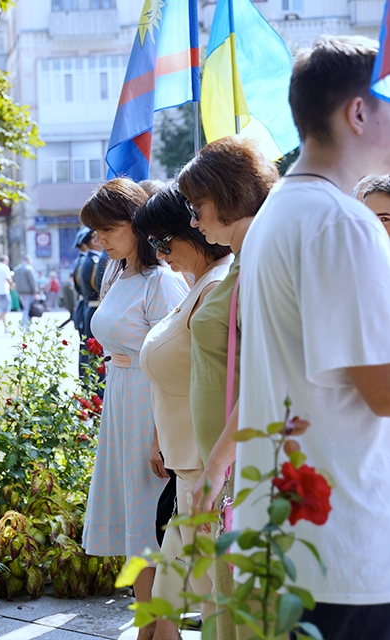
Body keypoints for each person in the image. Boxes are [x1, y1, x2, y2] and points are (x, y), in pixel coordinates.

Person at [236, 36, 390, 639]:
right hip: (343, 549)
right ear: (357, 112)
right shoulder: (342, 222)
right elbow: (381, 390)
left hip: (296, 544)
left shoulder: (282, 210)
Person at [176, 135, 278, 640]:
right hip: (228, 460)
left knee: (237, 599)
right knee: (224, 595)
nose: (193, 221)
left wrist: (219, 463)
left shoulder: (258, 254)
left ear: (229, 193)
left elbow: (264, 369)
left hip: (241, 462)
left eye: (198, 207)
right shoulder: (243, 255)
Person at [79, 179, 188, 640]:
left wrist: (162, 434)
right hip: (123, 398)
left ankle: (161, 629)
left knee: (152, 524)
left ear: (135, 225)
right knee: (135, 526)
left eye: (107, 230)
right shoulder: (117, 272)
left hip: (150, 402)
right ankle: (151, 626)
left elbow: (180, 356)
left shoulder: (161, 281)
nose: (98, 240)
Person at [134, 185, 233, 639]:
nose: (160, 252)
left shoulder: (216, 288)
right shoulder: (200, 283)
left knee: (204, 602)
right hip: (188, 469)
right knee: (166, 609)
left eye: (162, 240)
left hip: (204, 470)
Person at [12, 256, 40, 329]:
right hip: (29, 292)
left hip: (20, 292)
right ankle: (25, 326)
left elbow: (14, 280)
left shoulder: (16, 269)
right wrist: (35, 292)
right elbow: (32, 282)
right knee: (27, 309)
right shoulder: (29, 269)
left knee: (25, 308)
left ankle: (23, 324)